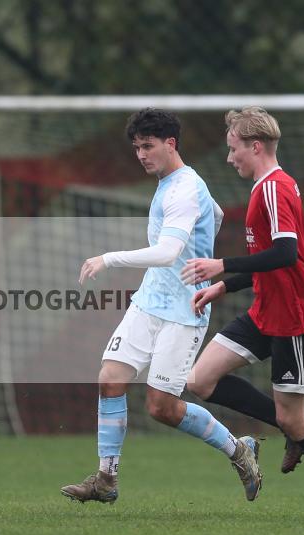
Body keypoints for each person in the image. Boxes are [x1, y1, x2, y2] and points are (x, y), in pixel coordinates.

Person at [60, 108, 262, 505]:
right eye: (137, 147)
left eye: (148, 146)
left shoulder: (185, 189)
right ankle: (105, 478)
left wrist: (108, 259)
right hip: (149, 301)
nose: (141, 154)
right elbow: (216, 213)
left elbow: (168, 252)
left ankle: (239, 449)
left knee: (162, 408)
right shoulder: (176, 184)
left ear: (171, 144)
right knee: (110, 378)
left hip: (185, 310)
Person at [181, 106, 304, 520]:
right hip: (265, 311)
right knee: (200, 379)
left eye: (233, 148)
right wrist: (225, 286)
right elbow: (269, 259)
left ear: (255, 146)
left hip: (294, 317)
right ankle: (296, 424)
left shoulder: (274, 188)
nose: (229, 157)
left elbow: (286, 254)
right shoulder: (265, 187)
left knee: (293, 418)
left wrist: (222, 265)